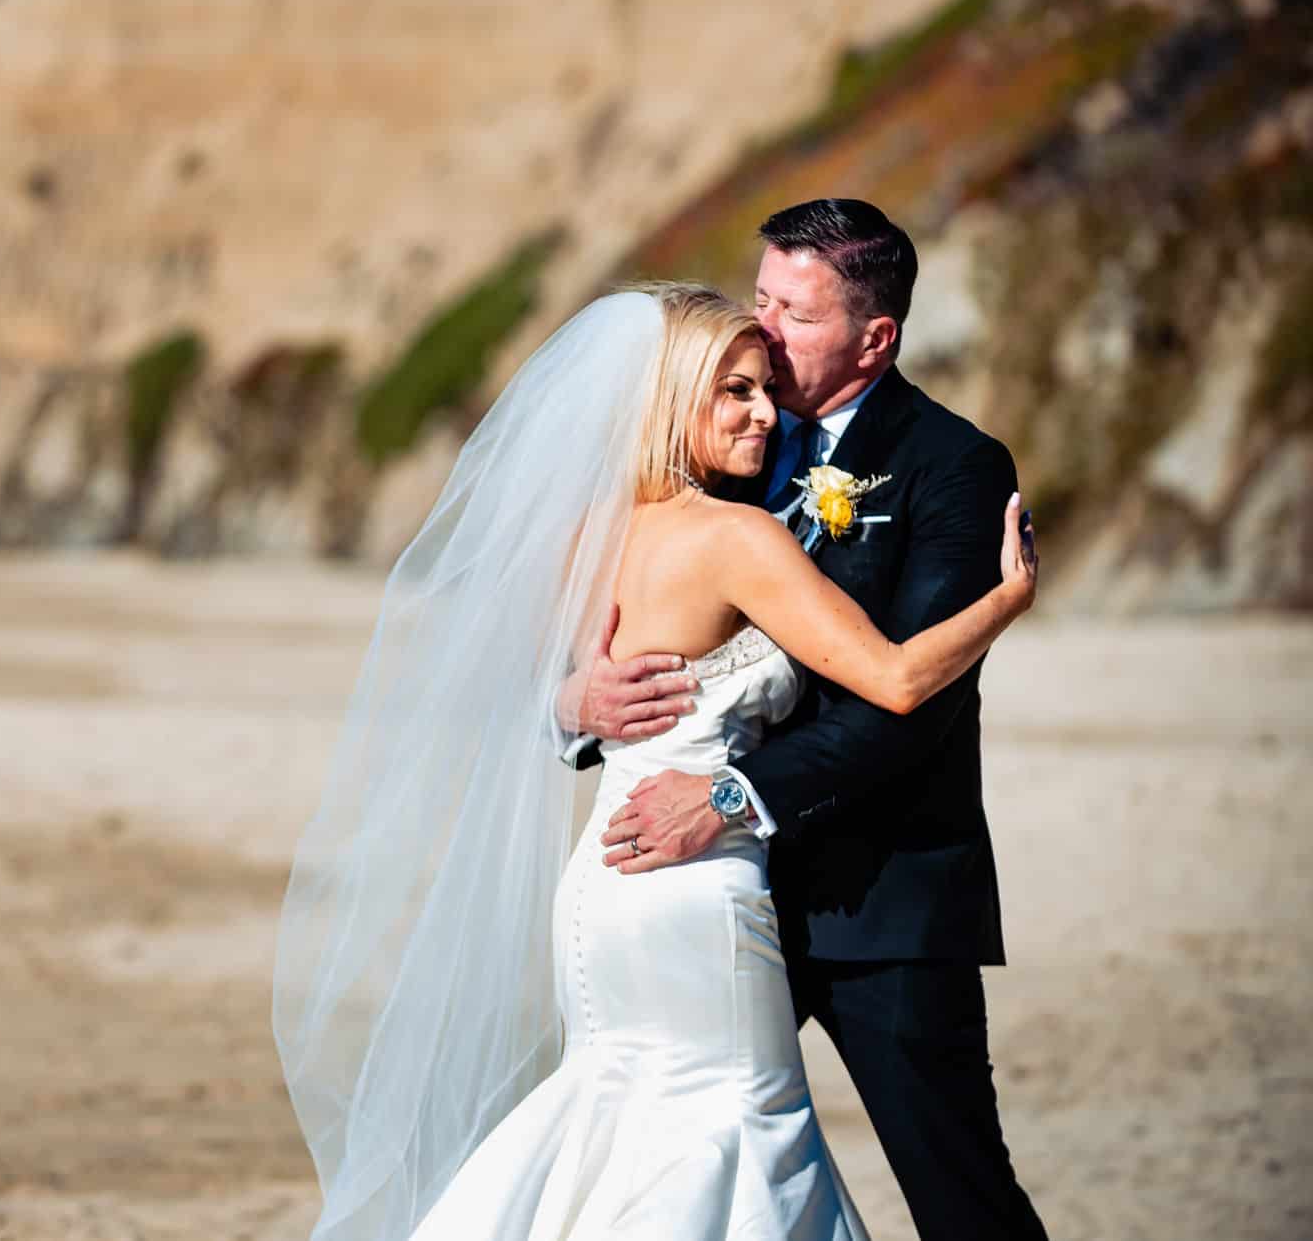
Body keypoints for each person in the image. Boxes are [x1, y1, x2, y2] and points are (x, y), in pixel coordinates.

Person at [274, 267, 1037, 1241]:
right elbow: (890, 681)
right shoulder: (735, 534)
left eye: (764, 382)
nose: (764, 413)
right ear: (670, 400)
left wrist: (563, 696)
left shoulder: (584, 535)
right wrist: (1003, 602)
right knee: (736, 1139)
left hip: (603, 885)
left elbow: (512, 676)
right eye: (735, 390)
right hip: (694, 887)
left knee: (610, 1129)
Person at [569, 200, 1051, 1241]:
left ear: (873, 337)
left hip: (876, 900)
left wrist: (734, 797)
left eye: (794, 311)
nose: (765, 331)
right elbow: (626, 622)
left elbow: (912, 704)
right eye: (760, 299)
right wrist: (578, 705)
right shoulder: (717, 439)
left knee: (957, 1190)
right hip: (696, 890)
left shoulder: (952, 465)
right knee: (660, 1154)